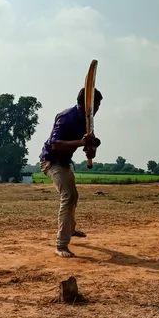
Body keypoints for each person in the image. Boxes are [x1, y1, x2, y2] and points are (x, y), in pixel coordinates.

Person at [39, 87, 102, 258]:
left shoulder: (88, 121)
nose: (98, 109)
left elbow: (90, 146)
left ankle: (71, 229)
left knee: (74, 195)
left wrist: (91, 150)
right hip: (51, 162)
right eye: (96, 105)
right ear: (86, 104)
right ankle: (61, 245)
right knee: (68, 196)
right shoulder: (66, 117)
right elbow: (55, 144)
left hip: (65, 163)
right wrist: (82, 143)